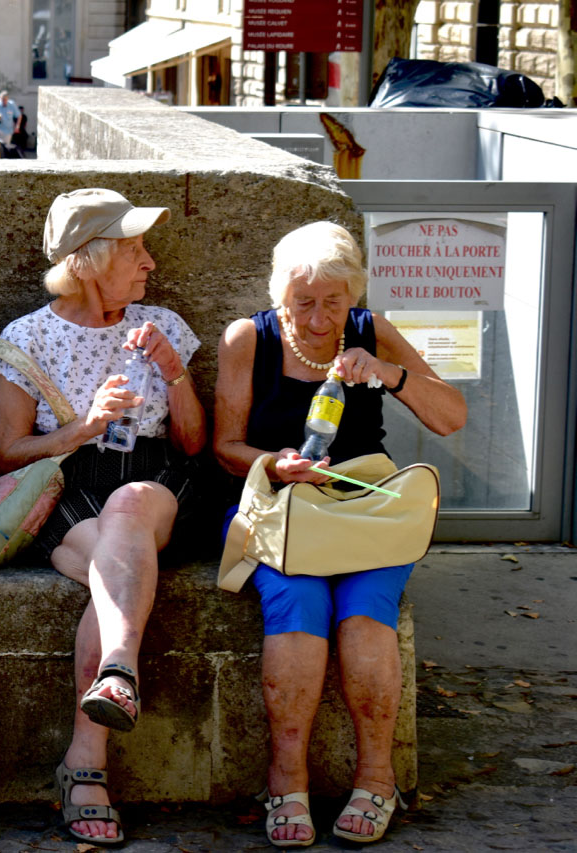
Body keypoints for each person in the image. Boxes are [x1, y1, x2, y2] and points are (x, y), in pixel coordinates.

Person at [213, 221, 466, 847]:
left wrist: (386, 372)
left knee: (364, 611)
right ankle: (287, 777)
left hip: (361, 509)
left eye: (335, 301)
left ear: (353, 296)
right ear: (280, 296)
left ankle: (376, 777)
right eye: (305, 302)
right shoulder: (249, 338)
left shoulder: (369, 330)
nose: (321, 318)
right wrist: (275, 463)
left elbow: (451, 417)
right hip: (278, 501)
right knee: (298, 599)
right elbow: (223, 448)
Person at [0, 188, 206, 846]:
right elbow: (7, 454)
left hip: (156, 483)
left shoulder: (160, 322)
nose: (150, 263)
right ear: (87, 260)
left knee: (127, 509)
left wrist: (175, 371)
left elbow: (195, 445)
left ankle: (109, 692)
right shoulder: (26, 339)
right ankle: (89, 755)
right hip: (73, 488)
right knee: (112, 566)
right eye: (134, 249)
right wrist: (85, 426)